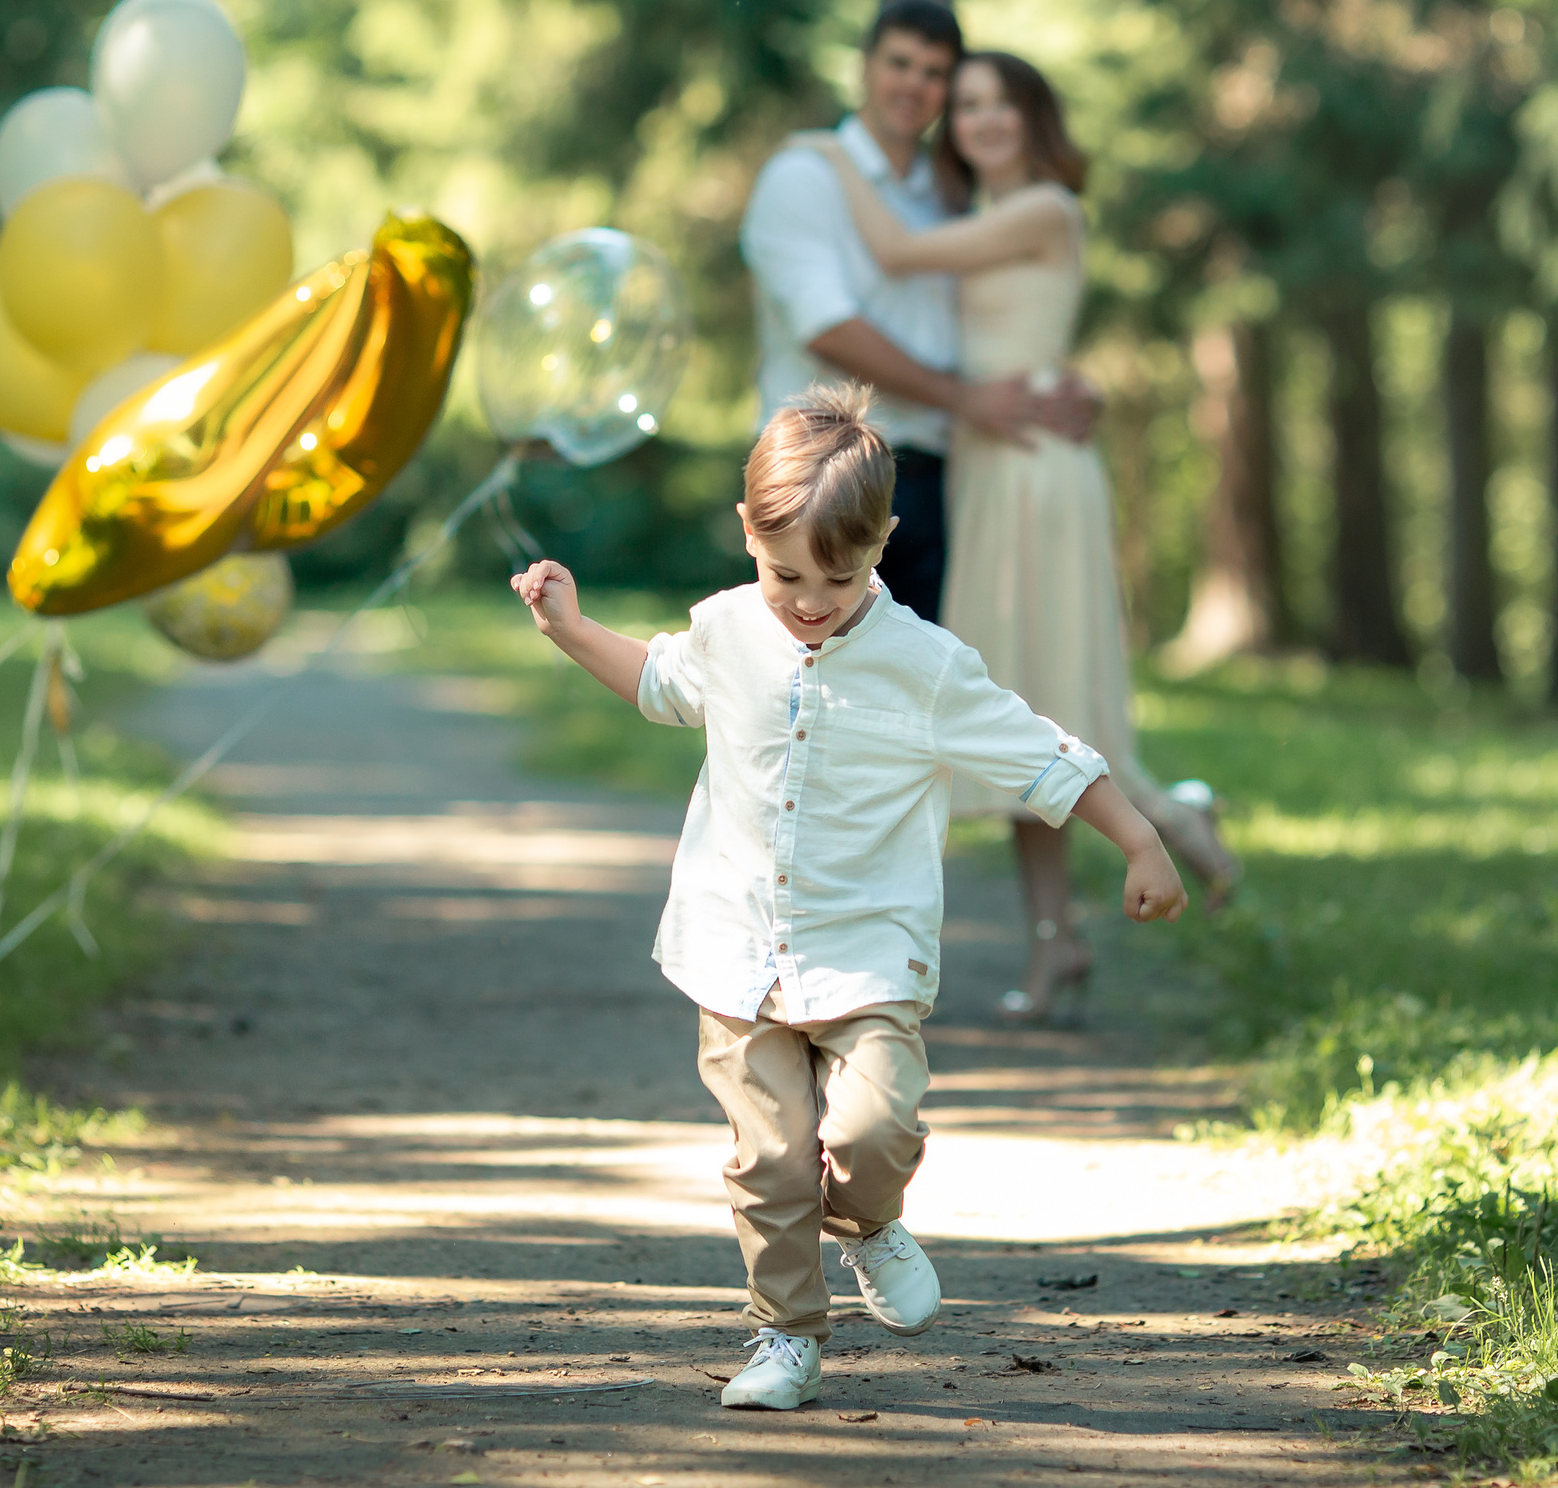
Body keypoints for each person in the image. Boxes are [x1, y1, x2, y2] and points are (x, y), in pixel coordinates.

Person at [508, 386, 1188, 1411]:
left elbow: (1042, 755)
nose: (811, 598)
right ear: (748, 535)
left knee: (871, 1133)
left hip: (868, 953)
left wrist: (1139, 839)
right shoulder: (729, 630)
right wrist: (568, 629)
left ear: (884, 543)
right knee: (767, 1160)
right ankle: (785, 1334)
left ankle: (868, 1220)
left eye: (843, 571)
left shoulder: (924, 665)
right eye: (786, 573)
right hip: (735, 948)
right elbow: (657, 683)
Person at [794, 52, 1239, 1027]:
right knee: (1012, 724)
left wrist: (835, 153)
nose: (980, 120)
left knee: (1054, 704)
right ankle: (1059, 946)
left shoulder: (1045, 208)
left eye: (999, 103)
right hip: (991, 467)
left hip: (1036, 470)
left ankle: (1169, 817)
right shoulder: (977, 222)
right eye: (966, 106)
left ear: (1035, 116)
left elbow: (900, 260)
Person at [739, 0, 1093, 624]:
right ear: (865, 67)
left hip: (934, 481)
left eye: (934, 74)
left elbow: (1001, 316)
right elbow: (829, 329)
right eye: (899, 63)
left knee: (914, 706)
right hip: (820, 478)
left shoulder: (951, 198)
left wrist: (1061, 382)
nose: (914, 85)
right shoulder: (805, 176)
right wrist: (963, 398)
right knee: (807, 694)